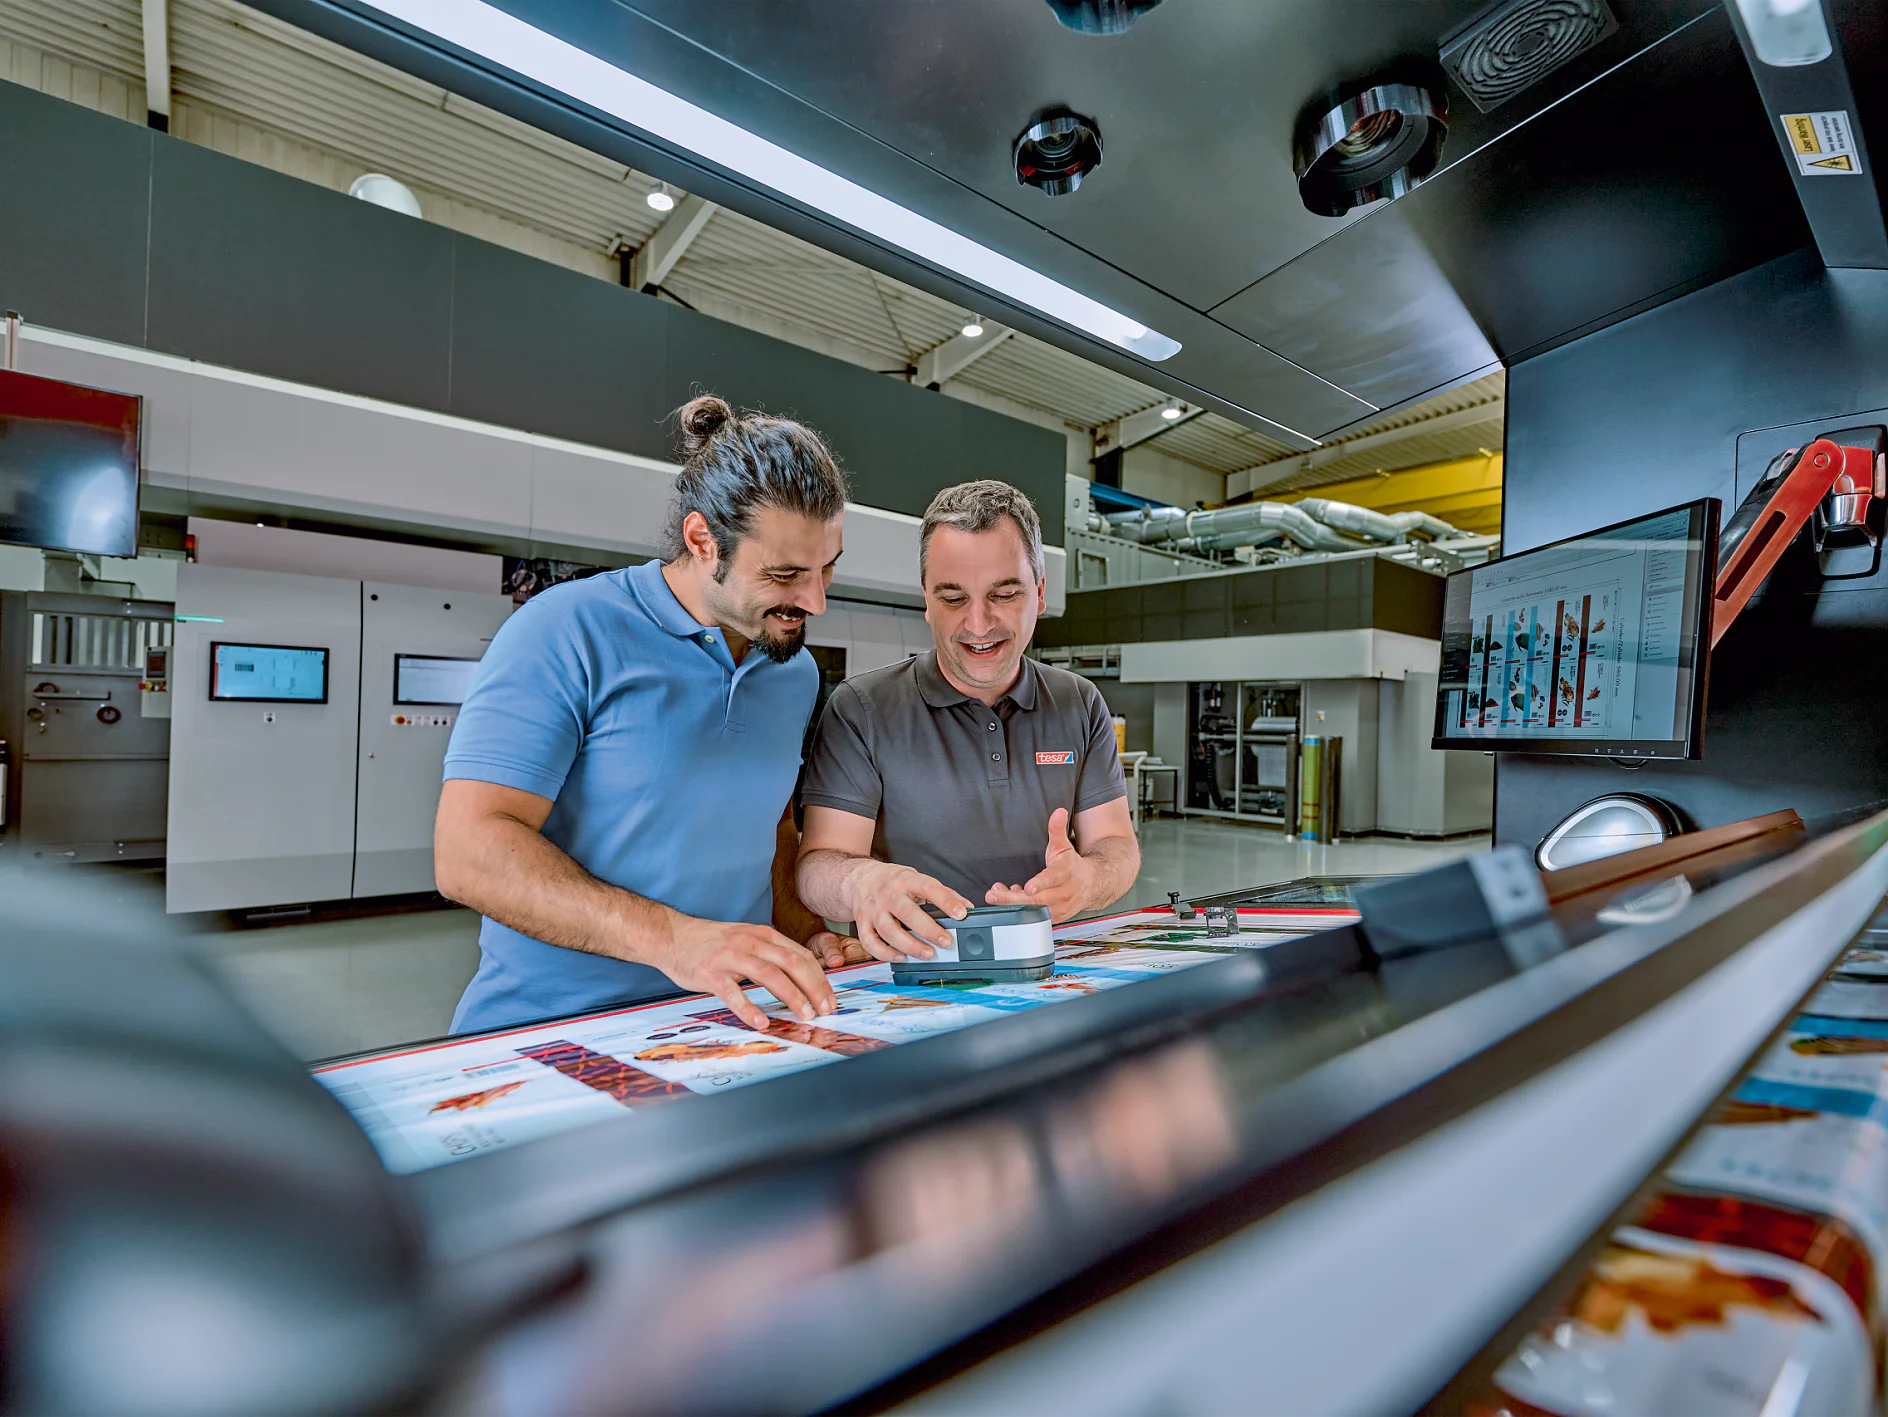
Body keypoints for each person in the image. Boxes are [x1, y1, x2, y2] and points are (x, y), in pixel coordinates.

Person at [435, 395, 856, 1034]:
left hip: (726, 1024)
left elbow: (767, 823)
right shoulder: (565, 630)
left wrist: (801, 929)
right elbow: (467, 850)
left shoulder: (791, 671)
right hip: (551, 1031)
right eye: (785, 574)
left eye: (827, 569)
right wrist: (674, 939)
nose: (816, 601)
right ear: (702, 540)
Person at [795, 479, 1140, 961]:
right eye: (953, 599)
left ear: (1039, 593)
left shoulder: (1079, 704)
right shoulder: (862, 710)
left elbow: (1116, 845)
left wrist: (1089, 878)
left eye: (1004, 594)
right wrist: (861, 881)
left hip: (1047, 969)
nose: (979, 624)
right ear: (926, 599)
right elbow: (815, 868)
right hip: (914, 976)